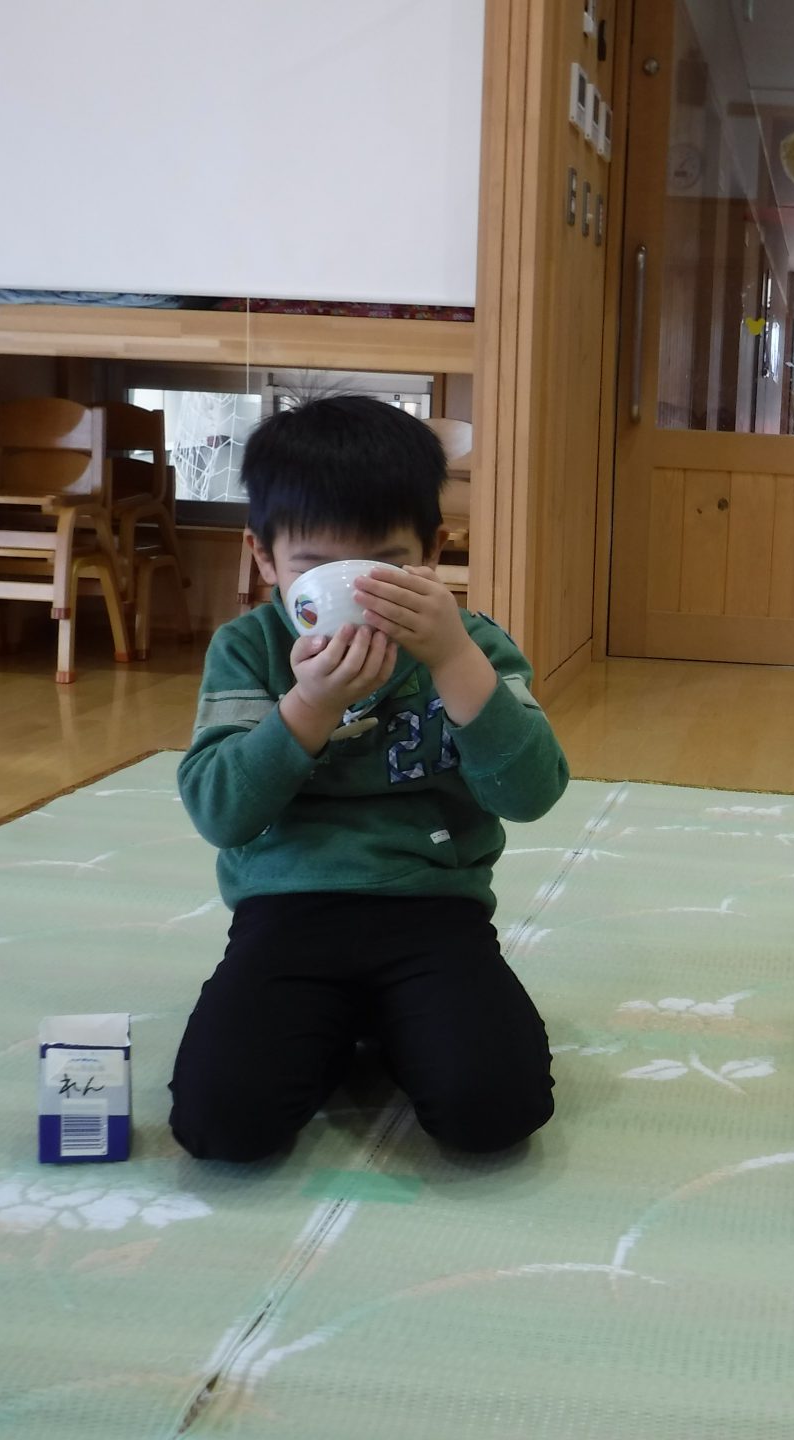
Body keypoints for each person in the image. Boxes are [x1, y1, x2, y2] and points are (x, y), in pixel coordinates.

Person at [169, 396, 568, 1162]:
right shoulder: (249, 649)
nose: (352, 594)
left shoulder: (471, 646)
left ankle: (385, 1023)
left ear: (434, 550)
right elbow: (220, 812)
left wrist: (452, 658)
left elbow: (531, 794)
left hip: (433, 910)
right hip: (285, 911)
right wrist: (310, 707)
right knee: (224, 1123)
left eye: (384, 566)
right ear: (263, 558)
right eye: (313, 568)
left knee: (495, 1111)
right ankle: (346, 1028)